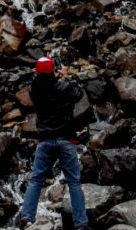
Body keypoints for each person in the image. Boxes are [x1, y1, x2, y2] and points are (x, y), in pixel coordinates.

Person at [17, 56, 88, 230]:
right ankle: (81, 224)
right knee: (74, 183)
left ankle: (26, 218)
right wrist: (66, 76)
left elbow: (44, 82)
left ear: (37, 72)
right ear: (52, 71)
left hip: (45, 141)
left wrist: (56, 76)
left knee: (35, 180)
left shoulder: (35, 90)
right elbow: (78, 94)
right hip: (66, 139)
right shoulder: (63, 87)